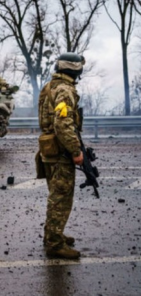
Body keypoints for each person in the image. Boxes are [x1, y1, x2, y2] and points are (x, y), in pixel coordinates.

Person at [37, 52, 86, 259]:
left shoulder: (50, 86)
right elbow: (62, 123)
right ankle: (54, 244)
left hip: (50, 149)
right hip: (61, 151)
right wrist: (76, 151)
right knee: (61, 197)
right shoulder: (65, 90)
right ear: (74, 69)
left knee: (56, 194)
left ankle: (53, 234)